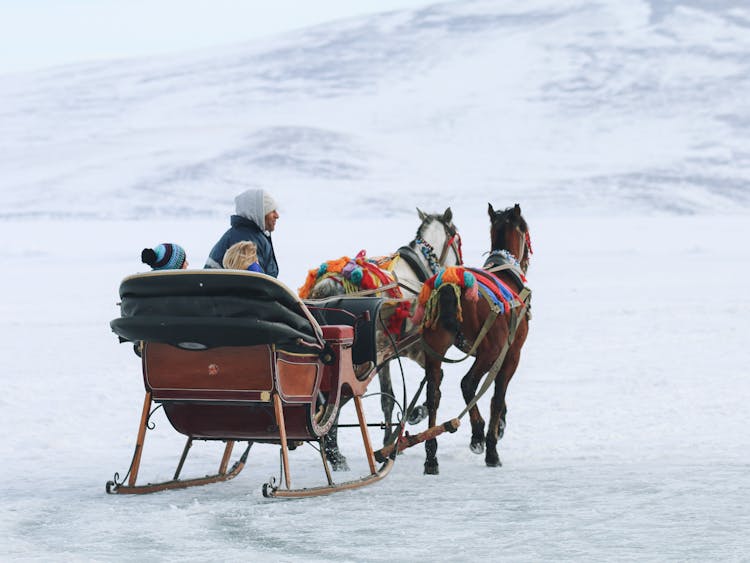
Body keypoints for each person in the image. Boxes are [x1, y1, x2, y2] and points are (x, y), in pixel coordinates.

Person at [205, 188, 279, 277]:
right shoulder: (244, 240)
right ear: (259, 213)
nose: (277, 216)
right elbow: (256, 283)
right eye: (272, 211)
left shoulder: (253, 236)